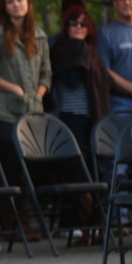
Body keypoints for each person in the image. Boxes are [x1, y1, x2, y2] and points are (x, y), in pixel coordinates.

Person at [0, 0, 52, 180]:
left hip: (33, 111)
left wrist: (39, 93)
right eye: (10, 2)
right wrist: (13, 88)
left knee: (32, 168)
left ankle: (27, 209)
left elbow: (46, 73)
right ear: (5, 8)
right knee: (9, 169)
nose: (15, 5)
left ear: (28, 3)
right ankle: (6, 209)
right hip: (5, 114)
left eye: (19, 0)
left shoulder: (40, 36)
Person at [47, 9, 111, 162]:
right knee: (73, 162)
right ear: (67, 26)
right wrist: (78, 52)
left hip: (93, 116)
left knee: (90, 163)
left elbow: (104, 82)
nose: (78, 27)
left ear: (89, 29)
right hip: (68, 115)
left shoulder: (93, 53)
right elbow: (71, 81)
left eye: (83, 24)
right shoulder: (59, 50)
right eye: (74, 23)